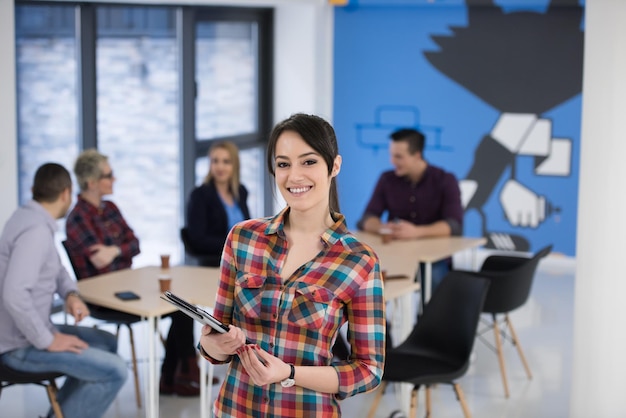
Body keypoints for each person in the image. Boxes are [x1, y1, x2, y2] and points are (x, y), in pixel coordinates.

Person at [198, 113, 386, 417]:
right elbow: (213, 345)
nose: (294, 176)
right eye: (283, 164)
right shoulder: (243, 238)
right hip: (235, 409)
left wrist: (288, 372)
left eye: (308, 162)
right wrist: (216, 345)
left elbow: (369, 371)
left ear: (334, 165)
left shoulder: (359, 260)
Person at [64, 149, 201, 396]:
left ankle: (177, 376)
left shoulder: (111, 208)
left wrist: (114, 250)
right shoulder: (77, 218)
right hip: (104, 298)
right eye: (109, 175)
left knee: (181, 306)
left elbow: (135, 244)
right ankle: (180, 375)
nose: (114, 179)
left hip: (128, 286)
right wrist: (120, 251)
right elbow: (99, 263)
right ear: (92, 183)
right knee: (177, 308)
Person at [0, 163, 128, 418]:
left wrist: (71, 294)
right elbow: (14, 294)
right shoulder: (36, 231)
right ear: (66, 194)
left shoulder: (27, 217)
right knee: (116, 370)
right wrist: (48, 341)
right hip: (16, 347)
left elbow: (57, 269)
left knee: (106, 342)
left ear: (34, 189)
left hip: (28, 334)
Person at [357, 128, 463, 305]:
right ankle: (382, 331)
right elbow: (367, 219)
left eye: (399, 157)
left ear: (417, 155)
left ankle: (430, 330)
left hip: (431, 258)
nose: (393, 161)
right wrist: (383, 228)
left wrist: (416, 232)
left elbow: (454, 226)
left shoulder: (445, 180)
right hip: (394, 255)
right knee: (370, 283)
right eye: (392, 155)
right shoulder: (386, 179)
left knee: (435, 288)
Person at [185, 141, 251, 267]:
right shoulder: (199, 195)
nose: (220, 167)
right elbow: (197, 240)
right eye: (215, 161)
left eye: (226, 162)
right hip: (214, 263)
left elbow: (247, 228)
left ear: (235, 165)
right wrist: (234, 245)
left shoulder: (240, 191)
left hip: (242, 261)